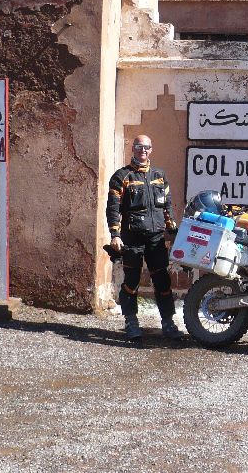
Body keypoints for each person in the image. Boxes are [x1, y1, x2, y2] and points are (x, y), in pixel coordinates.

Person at [106, 134, 184, 341]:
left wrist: (173, 231)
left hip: (156, 238)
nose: (143, 150)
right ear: (133, 148)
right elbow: (113, 208)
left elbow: (167, 206)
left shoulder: (159, 175)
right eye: (139, 146)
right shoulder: (122, 176)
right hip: (132, 238)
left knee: (162, 280)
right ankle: (131, 322)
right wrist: (115, 234)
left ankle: (168, 322)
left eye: (146, 147)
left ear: (151, 150)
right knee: (131, 280)